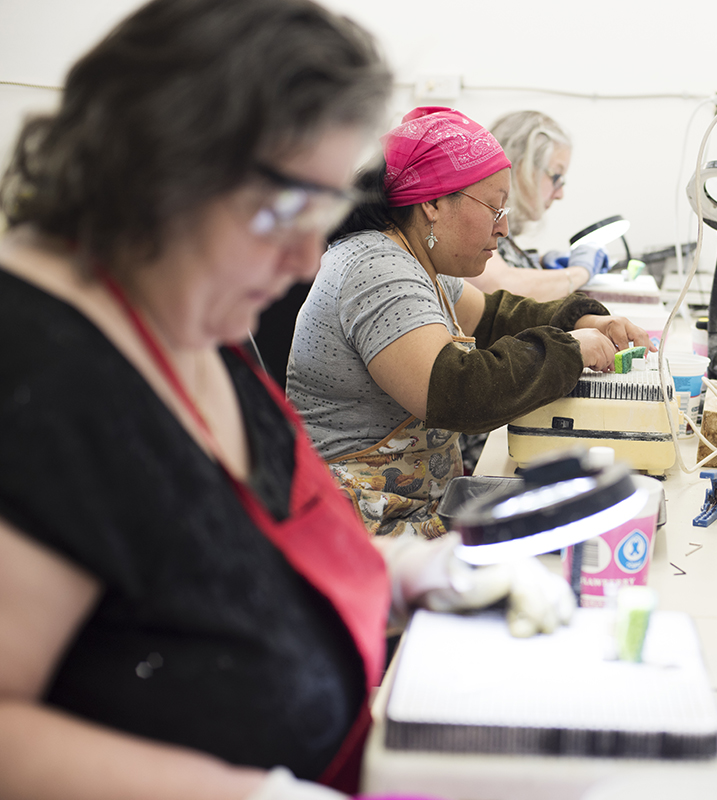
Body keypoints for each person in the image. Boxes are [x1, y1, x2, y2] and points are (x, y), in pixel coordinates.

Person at [0, 3, 572, 800]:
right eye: (287, 211)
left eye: (325, 211)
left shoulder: (190, 315)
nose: (308, 258)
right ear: (167, 169)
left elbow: (226, 564)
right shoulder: (36, 371)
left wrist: (406, 575)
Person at [286, 106, 654, 540]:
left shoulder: (419, 263)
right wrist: (569, 349)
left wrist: (581, 317)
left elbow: (495, 317)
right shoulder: (377, 269)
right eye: (495, 209)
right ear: (433, 204)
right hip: (359, 529)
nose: (504, 228)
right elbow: (456, 390)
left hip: (413, 504)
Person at [464, 110, 610, 303]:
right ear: (521, 167)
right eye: (556, 176)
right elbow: (498, 287)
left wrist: (538, 262)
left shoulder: (498, 225)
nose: (559, 194)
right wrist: (580, 271)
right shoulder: (475, 215)